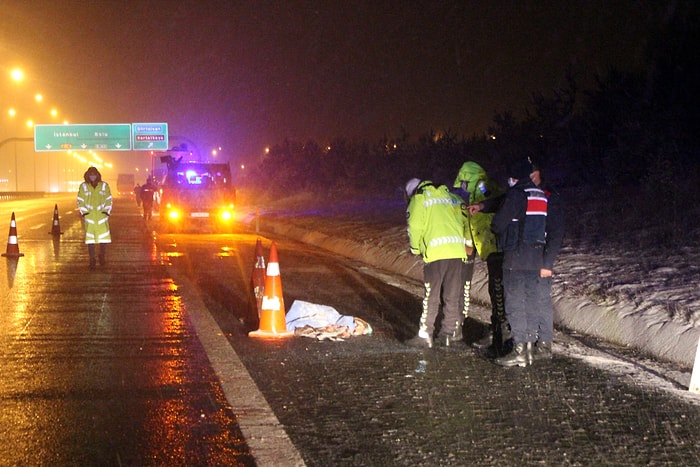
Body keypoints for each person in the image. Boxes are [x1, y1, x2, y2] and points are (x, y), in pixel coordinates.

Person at [474, 157, 564, 367]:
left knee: (518, 303)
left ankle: (526, 348)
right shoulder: (540, 195)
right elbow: (505, 202)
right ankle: (530, 348)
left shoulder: (528, 195)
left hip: (520, 256)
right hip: (535, 255)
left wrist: (548, 263)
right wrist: (483, 205)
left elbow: (499, 223)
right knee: (531, 303)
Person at [404, 178, 469, 348]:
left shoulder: (419, 199)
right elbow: (463, 218)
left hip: (436, 253)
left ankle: (425, 335)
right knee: (452, 296)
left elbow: (415, 227)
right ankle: (447, 334)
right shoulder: (449, 196)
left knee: (431, 296)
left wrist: (416, 249)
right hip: (456, 252)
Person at [452, 161, 509, 355]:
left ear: (469, 177)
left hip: (496, 246)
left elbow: (497, 204)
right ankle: (497, 333)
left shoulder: (484, 187)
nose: (464, 188)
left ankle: (502, 337)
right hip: (489, 247)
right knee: (495, 291)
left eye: (464, 182)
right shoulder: (477, 191)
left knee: (498, 292)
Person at [76, 166, 113, 269]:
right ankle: (92, 259)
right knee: (90, 240)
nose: (92, 176)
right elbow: (80, 200)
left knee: (103, 239)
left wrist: (106, 212)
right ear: (87, 175)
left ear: (97, 175)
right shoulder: (83, 186)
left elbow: (108, 199)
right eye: (91, 175)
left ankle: (102, 256)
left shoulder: (104, 186)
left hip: (102, 217)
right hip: (90, 218)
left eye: (94, 174)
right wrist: (84, 213)